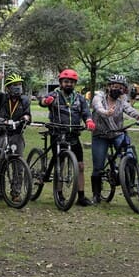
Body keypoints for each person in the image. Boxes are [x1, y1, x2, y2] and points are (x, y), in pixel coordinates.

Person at [40, 68, 96, 206]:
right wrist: (46, 101)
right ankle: (59, 193)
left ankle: (81, 196)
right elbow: (41, 101)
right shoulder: (55, 95)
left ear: (75, 84)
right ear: (61, 82)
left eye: (71, 82)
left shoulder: (80, 98)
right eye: (66, 82)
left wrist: (89, 121)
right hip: (57, 134)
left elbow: (86, 112)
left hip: (74, 135)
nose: (69, 84)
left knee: (81, 166)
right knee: (60, 163)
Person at [89, 74, 139, 202]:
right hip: (100, 135)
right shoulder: (99, 97)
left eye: (121, 88)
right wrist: (106, 112)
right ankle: (96, 194)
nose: (117, 90)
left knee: (130, 157)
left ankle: (130, 186)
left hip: (118, 133)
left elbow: (130, 110)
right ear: (108, 87)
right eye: (115, 86)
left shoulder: (122, 101)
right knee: (98, 166)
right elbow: (98, 107)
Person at [0, 72, 32, 157]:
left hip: (17, 132)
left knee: (18, 158)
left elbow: (27, 114)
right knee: (1, 156)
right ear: (8, 88)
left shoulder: (25, 100)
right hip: (2, 131)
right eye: (15, 85)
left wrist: (26, 117)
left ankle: (18, 169)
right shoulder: (2, 98)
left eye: (20, 84)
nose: (18, 87)